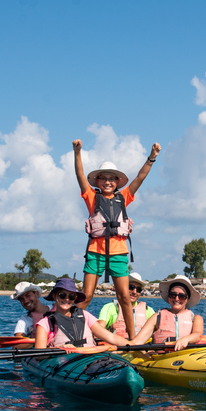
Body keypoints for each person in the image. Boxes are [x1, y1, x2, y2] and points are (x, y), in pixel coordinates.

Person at [72, 138, 160, 340]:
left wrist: (151, 158)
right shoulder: (91, 197)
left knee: (124, 299)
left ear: (117, 182)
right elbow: (79, 175)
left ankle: (133, 339)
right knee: (86, 297)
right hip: (95, 252)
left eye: (112, 179)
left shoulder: (124, 197)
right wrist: (77, 153)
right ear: (98, 181)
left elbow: (140, 178)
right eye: (103, 178)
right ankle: (65, 327)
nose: (108, 182)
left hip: (119, 254)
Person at [34, 277, 133, 349]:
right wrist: (59, 348)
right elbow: (39, 354)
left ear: (75, 298)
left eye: (71, 296)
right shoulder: (44, 323)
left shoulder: (85, 315)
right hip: (62, 363)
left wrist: (133, 346)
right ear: (55, 296)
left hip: (89, 359)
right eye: (62, 295)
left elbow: (111, 337)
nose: (67, 299)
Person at [130, 275, 204, 350]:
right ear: (168, 296)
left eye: (182, 296)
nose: (177, 299)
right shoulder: (157, 317)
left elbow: (197, 334)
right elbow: (138, 341)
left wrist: (186, 339)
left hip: (185, 356)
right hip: (162, 357)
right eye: (173, 295)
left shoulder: (196, 319)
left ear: (187, 299)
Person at [96, 272, 155, 340]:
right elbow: (99, 328)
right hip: (117, 348)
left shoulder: (148, 310)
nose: (134, 292)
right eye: (131, 287)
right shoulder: (110, 307)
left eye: (138, 290)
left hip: (142, 348)